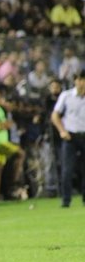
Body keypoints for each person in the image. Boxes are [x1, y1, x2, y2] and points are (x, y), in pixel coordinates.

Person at [50, 70, 85, 208]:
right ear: (75, 81)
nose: (81, 82)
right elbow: (55, 115)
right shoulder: (66, 96)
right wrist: (62, 130)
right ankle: (66, 200)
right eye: (79, 79)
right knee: (67, 169)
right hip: (70, 135)